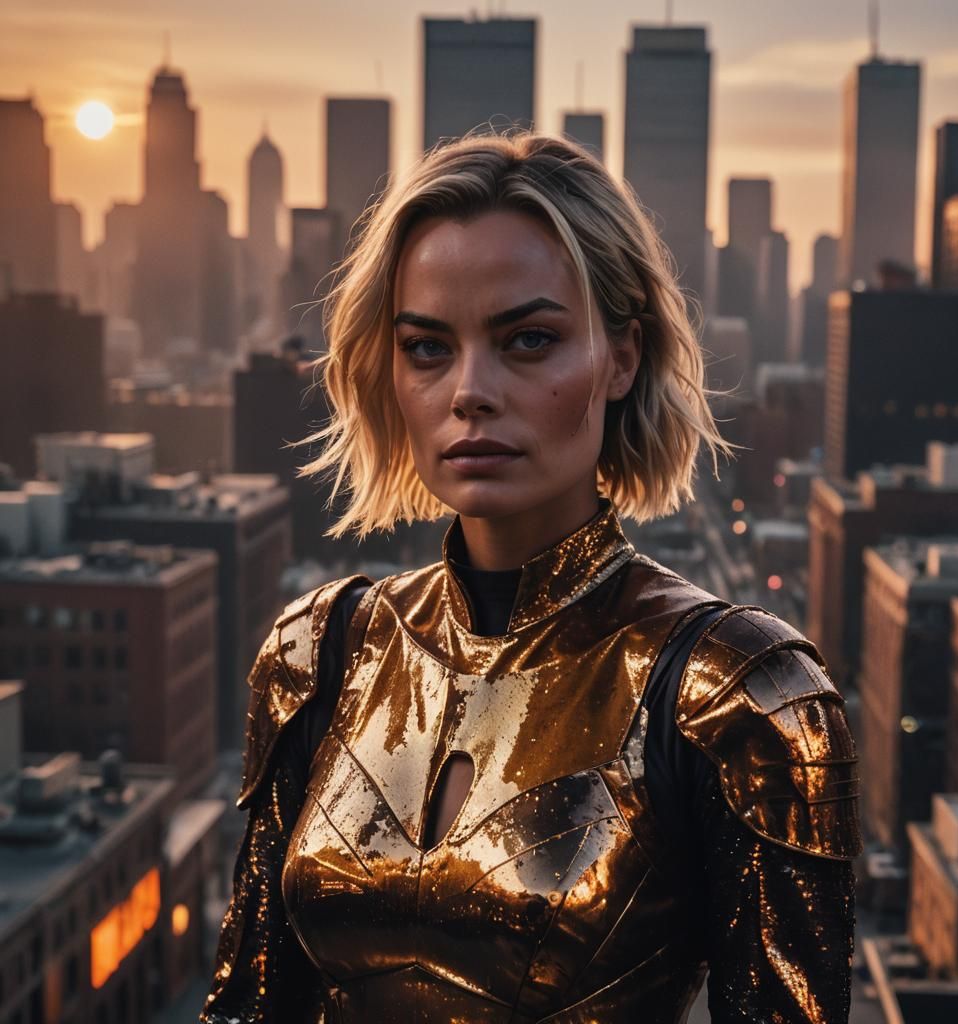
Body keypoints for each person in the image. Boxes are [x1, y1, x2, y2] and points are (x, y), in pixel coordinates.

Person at [200, 132, 862, 1024]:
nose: (469, 391)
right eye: (427, 347)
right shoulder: (317, 655)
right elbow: (244, 1006)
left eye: (529, 340)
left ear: (622, 357)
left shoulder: (739, 695)